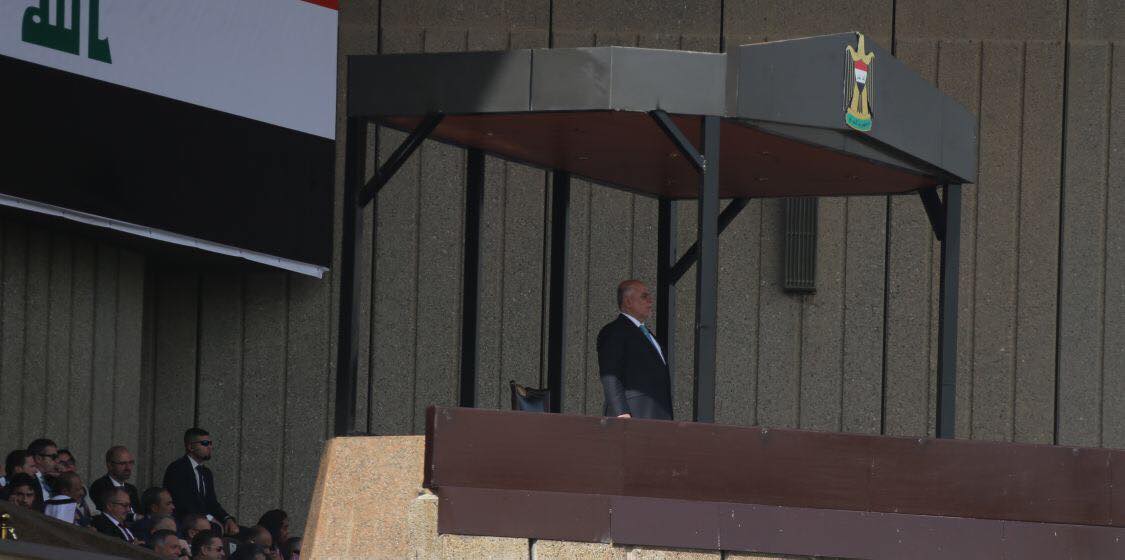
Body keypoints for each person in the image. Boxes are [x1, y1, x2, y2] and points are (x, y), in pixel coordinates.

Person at [597, 280, 673, 420]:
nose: (650, 301)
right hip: (635, 416)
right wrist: (621, 413)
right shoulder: (615, 331)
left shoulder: (648, 335)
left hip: (658, 418)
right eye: (644, 296)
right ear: (628, 301)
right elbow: (610, 375)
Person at [163, 428, 238, 535]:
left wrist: (227, 519)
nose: (210, 447)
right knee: (215, 529)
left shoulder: (206, 472)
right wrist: (210, 518)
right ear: (190, 447)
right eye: (205, 443)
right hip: (187, 522)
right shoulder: (177, 468)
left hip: (206, 520)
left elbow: (212, 502)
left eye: (210, 443)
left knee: (242, 532)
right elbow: (183, 503)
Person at [90, 445, 140, 514]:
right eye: (123, 463)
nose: (128, 468)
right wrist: (134, 518)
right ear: (110, 465)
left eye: (130, 463)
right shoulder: (99, 486)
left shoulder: (132, 489)